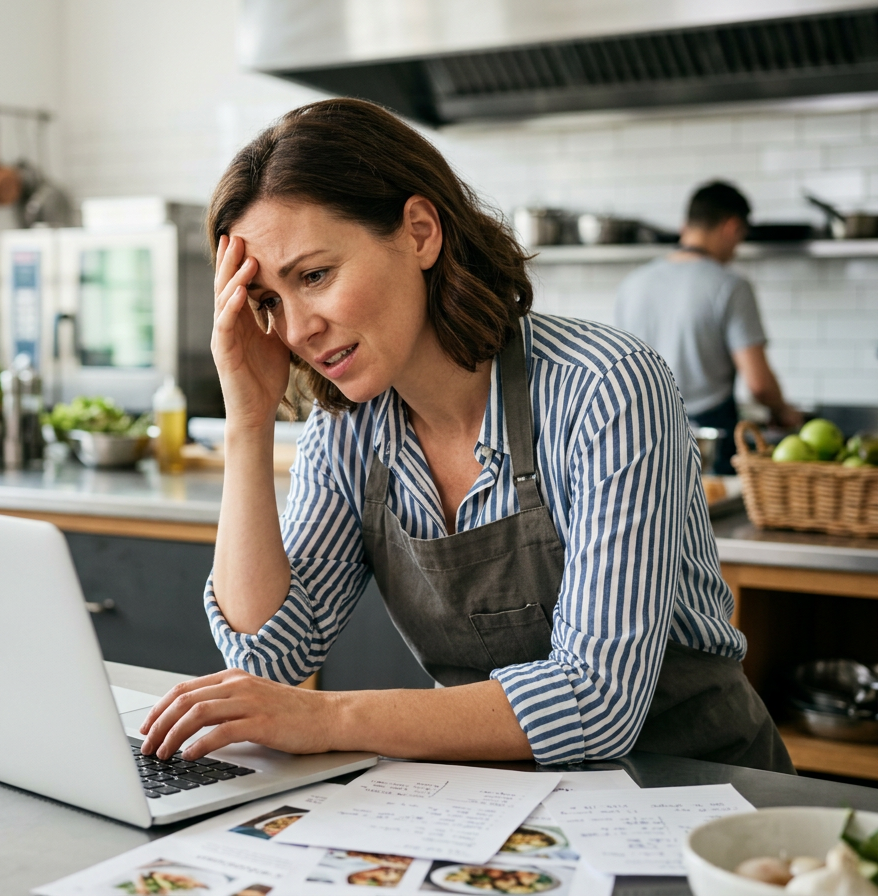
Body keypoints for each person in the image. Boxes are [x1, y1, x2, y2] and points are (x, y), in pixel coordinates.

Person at [137, 99, 794, 774]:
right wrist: (248, 421)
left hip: (698, 797)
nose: (297, 328)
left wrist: (329, 717)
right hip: (496, 803)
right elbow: (267, 657)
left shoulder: (606, 389)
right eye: (269, 301)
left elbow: (597, 702)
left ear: (421, 232)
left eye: (314, 275)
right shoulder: (346, 431)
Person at [615, 181, 801, 474]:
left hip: (643, 434)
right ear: (731, 226)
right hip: (710, 439)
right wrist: (783, 412)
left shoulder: (633, 284)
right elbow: (759, 384)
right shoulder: (730, 286)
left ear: (686, 224)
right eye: (740, 237)